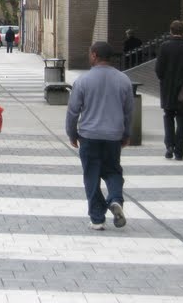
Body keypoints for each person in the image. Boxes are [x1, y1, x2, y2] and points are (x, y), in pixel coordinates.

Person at [65, 41, 134, 230]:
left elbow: (73, 111)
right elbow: (129, 111)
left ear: (94, 55)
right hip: (113, 136)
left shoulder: (82, 81)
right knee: (113, 171)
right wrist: (127, 133)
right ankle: (115, 199)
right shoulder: (123, 80)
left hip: (89, 135)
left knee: (92, 175)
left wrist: (72, 133)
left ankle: (97, 218)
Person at [155, 20, 183, 160]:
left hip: (168, 88)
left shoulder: (164, 46)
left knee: (168, 116)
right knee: (182, 119)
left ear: (171, 31)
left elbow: (159, 69)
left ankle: (169, 145)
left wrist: (164, 79)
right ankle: (179, 151)